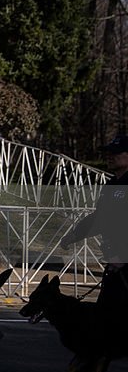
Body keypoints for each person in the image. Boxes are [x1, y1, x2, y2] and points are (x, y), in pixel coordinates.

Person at [61, 134, 128, 315]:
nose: (109, 156)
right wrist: (73, 236)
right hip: (115, 263)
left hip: (122, 262)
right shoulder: (113, 184)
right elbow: (100, 218)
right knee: (106, 316)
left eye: (115, 153)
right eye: (108, 153)